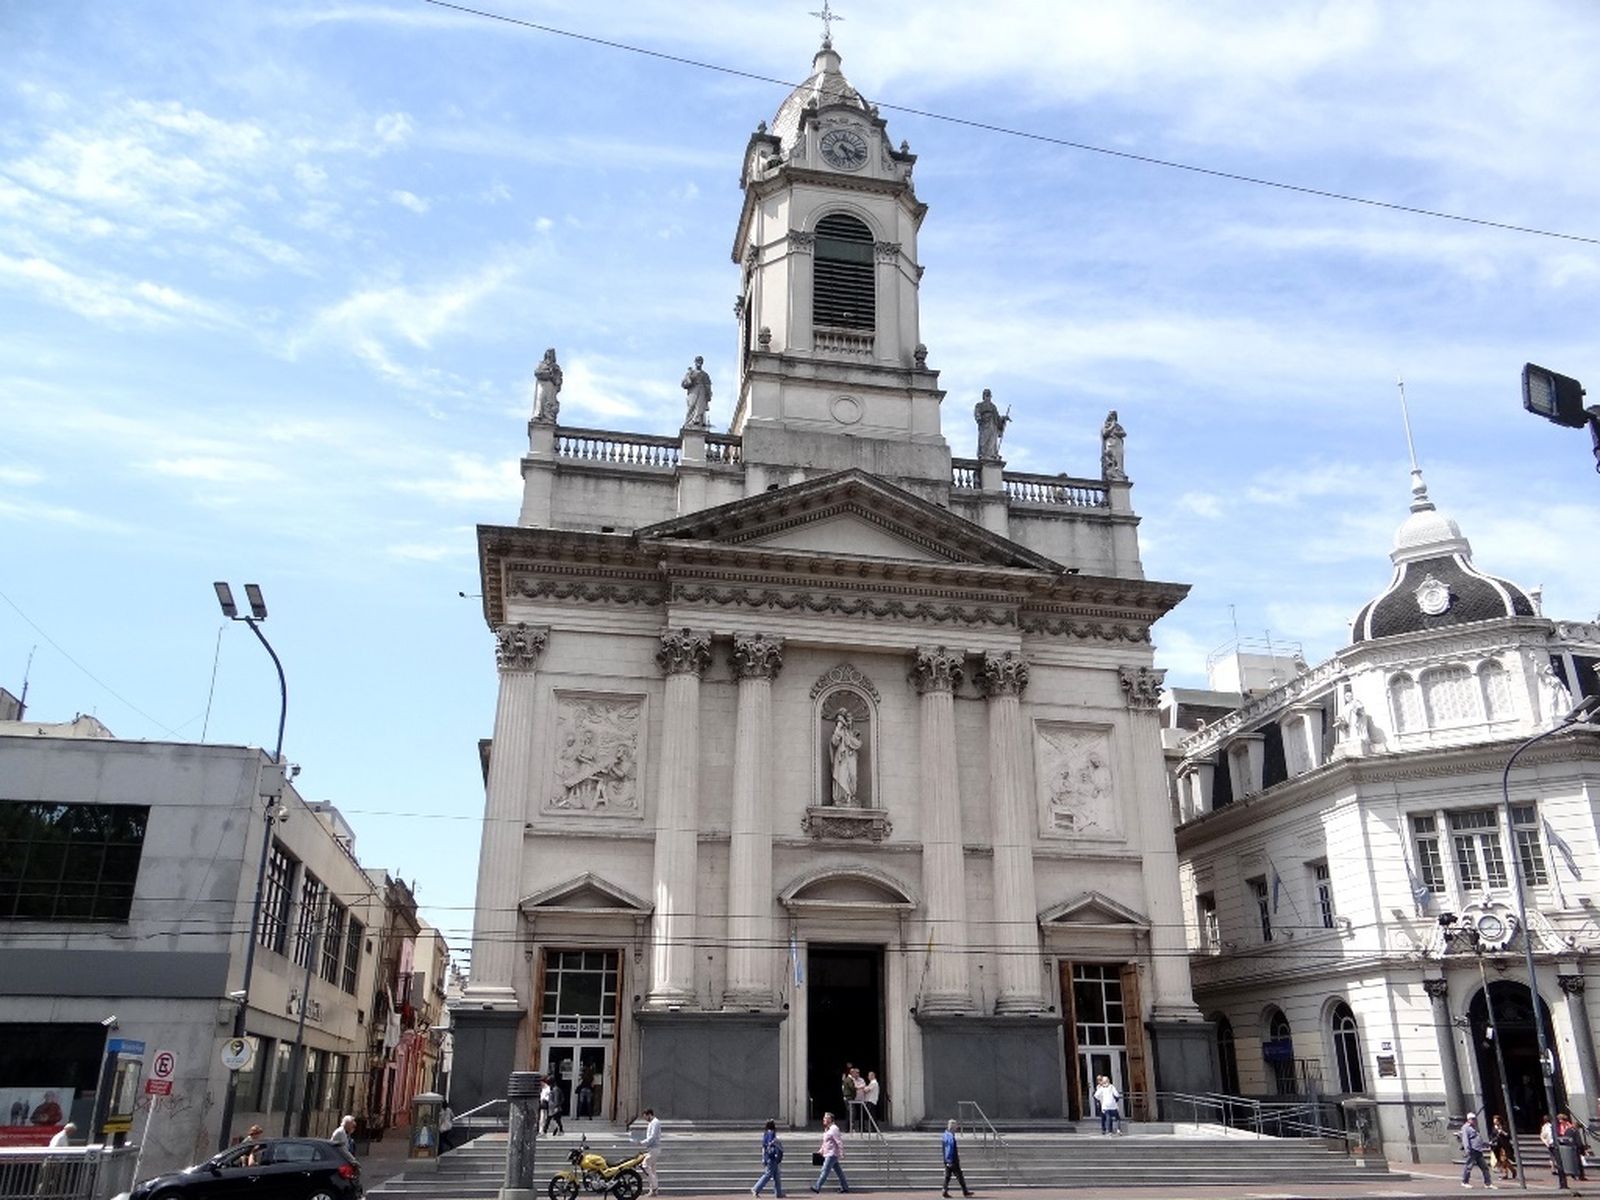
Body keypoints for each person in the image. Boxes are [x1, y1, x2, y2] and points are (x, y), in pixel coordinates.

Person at [809, 1111, 848, 1194]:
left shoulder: (834, 1129)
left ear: (830, 1119)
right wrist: (821, 1150)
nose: (823, 1119)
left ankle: (817, 1187)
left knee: (825, 1170)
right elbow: (825, 1142)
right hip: (828, 1153)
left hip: (832, 1154)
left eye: (825, 1118)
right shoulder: (827, 1129)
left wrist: (841, 1152)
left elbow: (838, 1141)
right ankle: (845, 1187)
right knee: (839, 1171)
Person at [830, 712, 860, 807]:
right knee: (841, 775)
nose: (850, 722)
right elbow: (834, 742)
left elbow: (857, 744)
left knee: (853, 775)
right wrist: (838, 728)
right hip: (841, 757)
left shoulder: (854, 733)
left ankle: (851, 795)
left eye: (851, 720)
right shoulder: (840, 732)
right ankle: (841, 797)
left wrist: (851, 741)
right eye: (848, 720)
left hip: (851, 757)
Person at [752, 1118, 785, 1197]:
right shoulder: (772, 1133)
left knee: (776, 1175)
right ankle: (756, 1188)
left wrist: (763, 1157)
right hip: (772, 1156)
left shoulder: (765, 1134)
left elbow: (764, 1146)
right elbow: (771, 1143)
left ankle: (778, 1193)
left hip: (768, 1156)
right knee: (768, 1174)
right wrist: (778, 1144)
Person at [974, 389, 1009, 461]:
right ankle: (984, 454)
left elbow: (997, 418)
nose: (987, 397)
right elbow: (977, 413)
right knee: (984, 440)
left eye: (989, 396)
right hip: (984, 425)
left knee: (992, 441)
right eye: (986, 395)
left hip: (993, 425)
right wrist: (979, 418)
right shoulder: (979, 405)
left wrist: (1003, 419)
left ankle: (992, 455)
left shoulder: (993, 407)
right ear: (983, 396)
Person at [1461, 1113, 1495, 1188]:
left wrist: (1486, 1144)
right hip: (1472, 1150)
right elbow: (1465, 1139)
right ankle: (1465, 1182)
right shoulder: (1466, 1128)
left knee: (1485, 1167)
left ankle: (1488, 1183)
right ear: (1468, 1119)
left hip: (1478, 1150)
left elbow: (1477, 1139)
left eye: (1474, 1119)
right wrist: (1467, 1149)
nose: (1474, 1120)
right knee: (1468, 1167)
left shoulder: (1474, 1128)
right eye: (1472, 1119)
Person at [941, 1119, 973, 1198]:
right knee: (959, 1175)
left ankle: (944, 1190)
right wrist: (950, 1160)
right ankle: (965, 1191)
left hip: (947, 1159)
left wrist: (946, 1160)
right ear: (952, 1127)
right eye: (955, 1126)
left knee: (948, 1176)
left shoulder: (945, 1135)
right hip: (952, 1159)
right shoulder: (950, 1137)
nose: (957, 1127)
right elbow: (950, 1149)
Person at [633, 1107, 661, 1196]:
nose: (645, 1119)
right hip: (651, 1148)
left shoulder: (655, 1123)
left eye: (645, 1117)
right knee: (652, 1170)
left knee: (645, 1165)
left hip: (654, 1148)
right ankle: (653, 1191)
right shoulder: (652, 1123)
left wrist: (642, 1142)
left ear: (649, 1115)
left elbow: (652, 1137)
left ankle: (654, 1186)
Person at [682, 356, 712, 428]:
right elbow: (684, 384)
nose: (699, 362)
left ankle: (698, 421)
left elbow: (708, 385)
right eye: (697, 361)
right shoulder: (691, 373)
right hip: (693, 391)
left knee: (700, 407)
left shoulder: (705, 375)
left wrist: (708, 394)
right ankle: (689, 422)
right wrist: (689, 378)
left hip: (702, 391)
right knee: (692, 406)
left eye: (700, 361)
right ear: (695, 362)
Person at [1489, 1114, 1516, 1180]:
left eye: (1496, 1121)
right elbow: (1492, 1137)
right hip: (1497, 1147)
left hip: (1504, 1146)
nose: (1495, 1123)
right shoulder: (1493, 1128)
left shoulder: (1504, 1127)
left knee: (1504, 1160)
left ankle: (1505, 1174)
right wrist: (1491, 1142)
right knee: (1502, 1160)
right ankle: (1512, 1170)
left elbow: (1508, 1135)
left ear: (1499, 1121)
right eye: (1494, 1121)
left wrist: (1503, 1132)